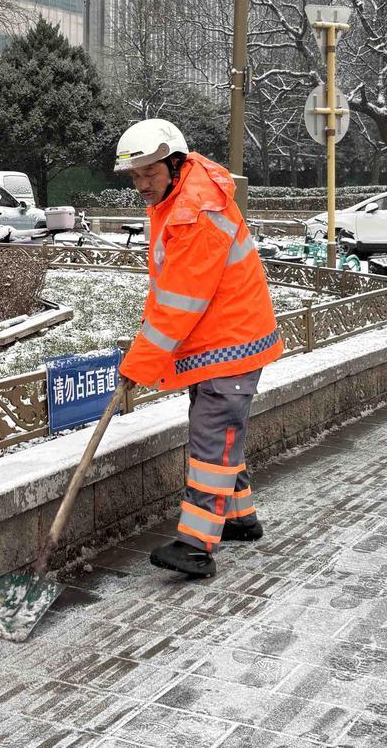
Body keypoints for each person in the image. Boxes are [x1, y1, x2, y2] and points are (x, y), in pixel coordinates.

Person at [114, 118, 283, 580]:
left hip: (230, 341)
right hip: (220, 339)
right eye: (135, 177)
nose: (142, 184)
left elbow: (180, 303)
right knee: (222, 432)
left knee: (214, 439)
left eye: (149, 173)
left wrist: (140, 364)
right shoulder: (180, 198)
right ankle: (239, 518)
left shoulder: (196, 213)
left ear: (174, 163)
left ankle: (195, 545)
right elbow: (170, 292)